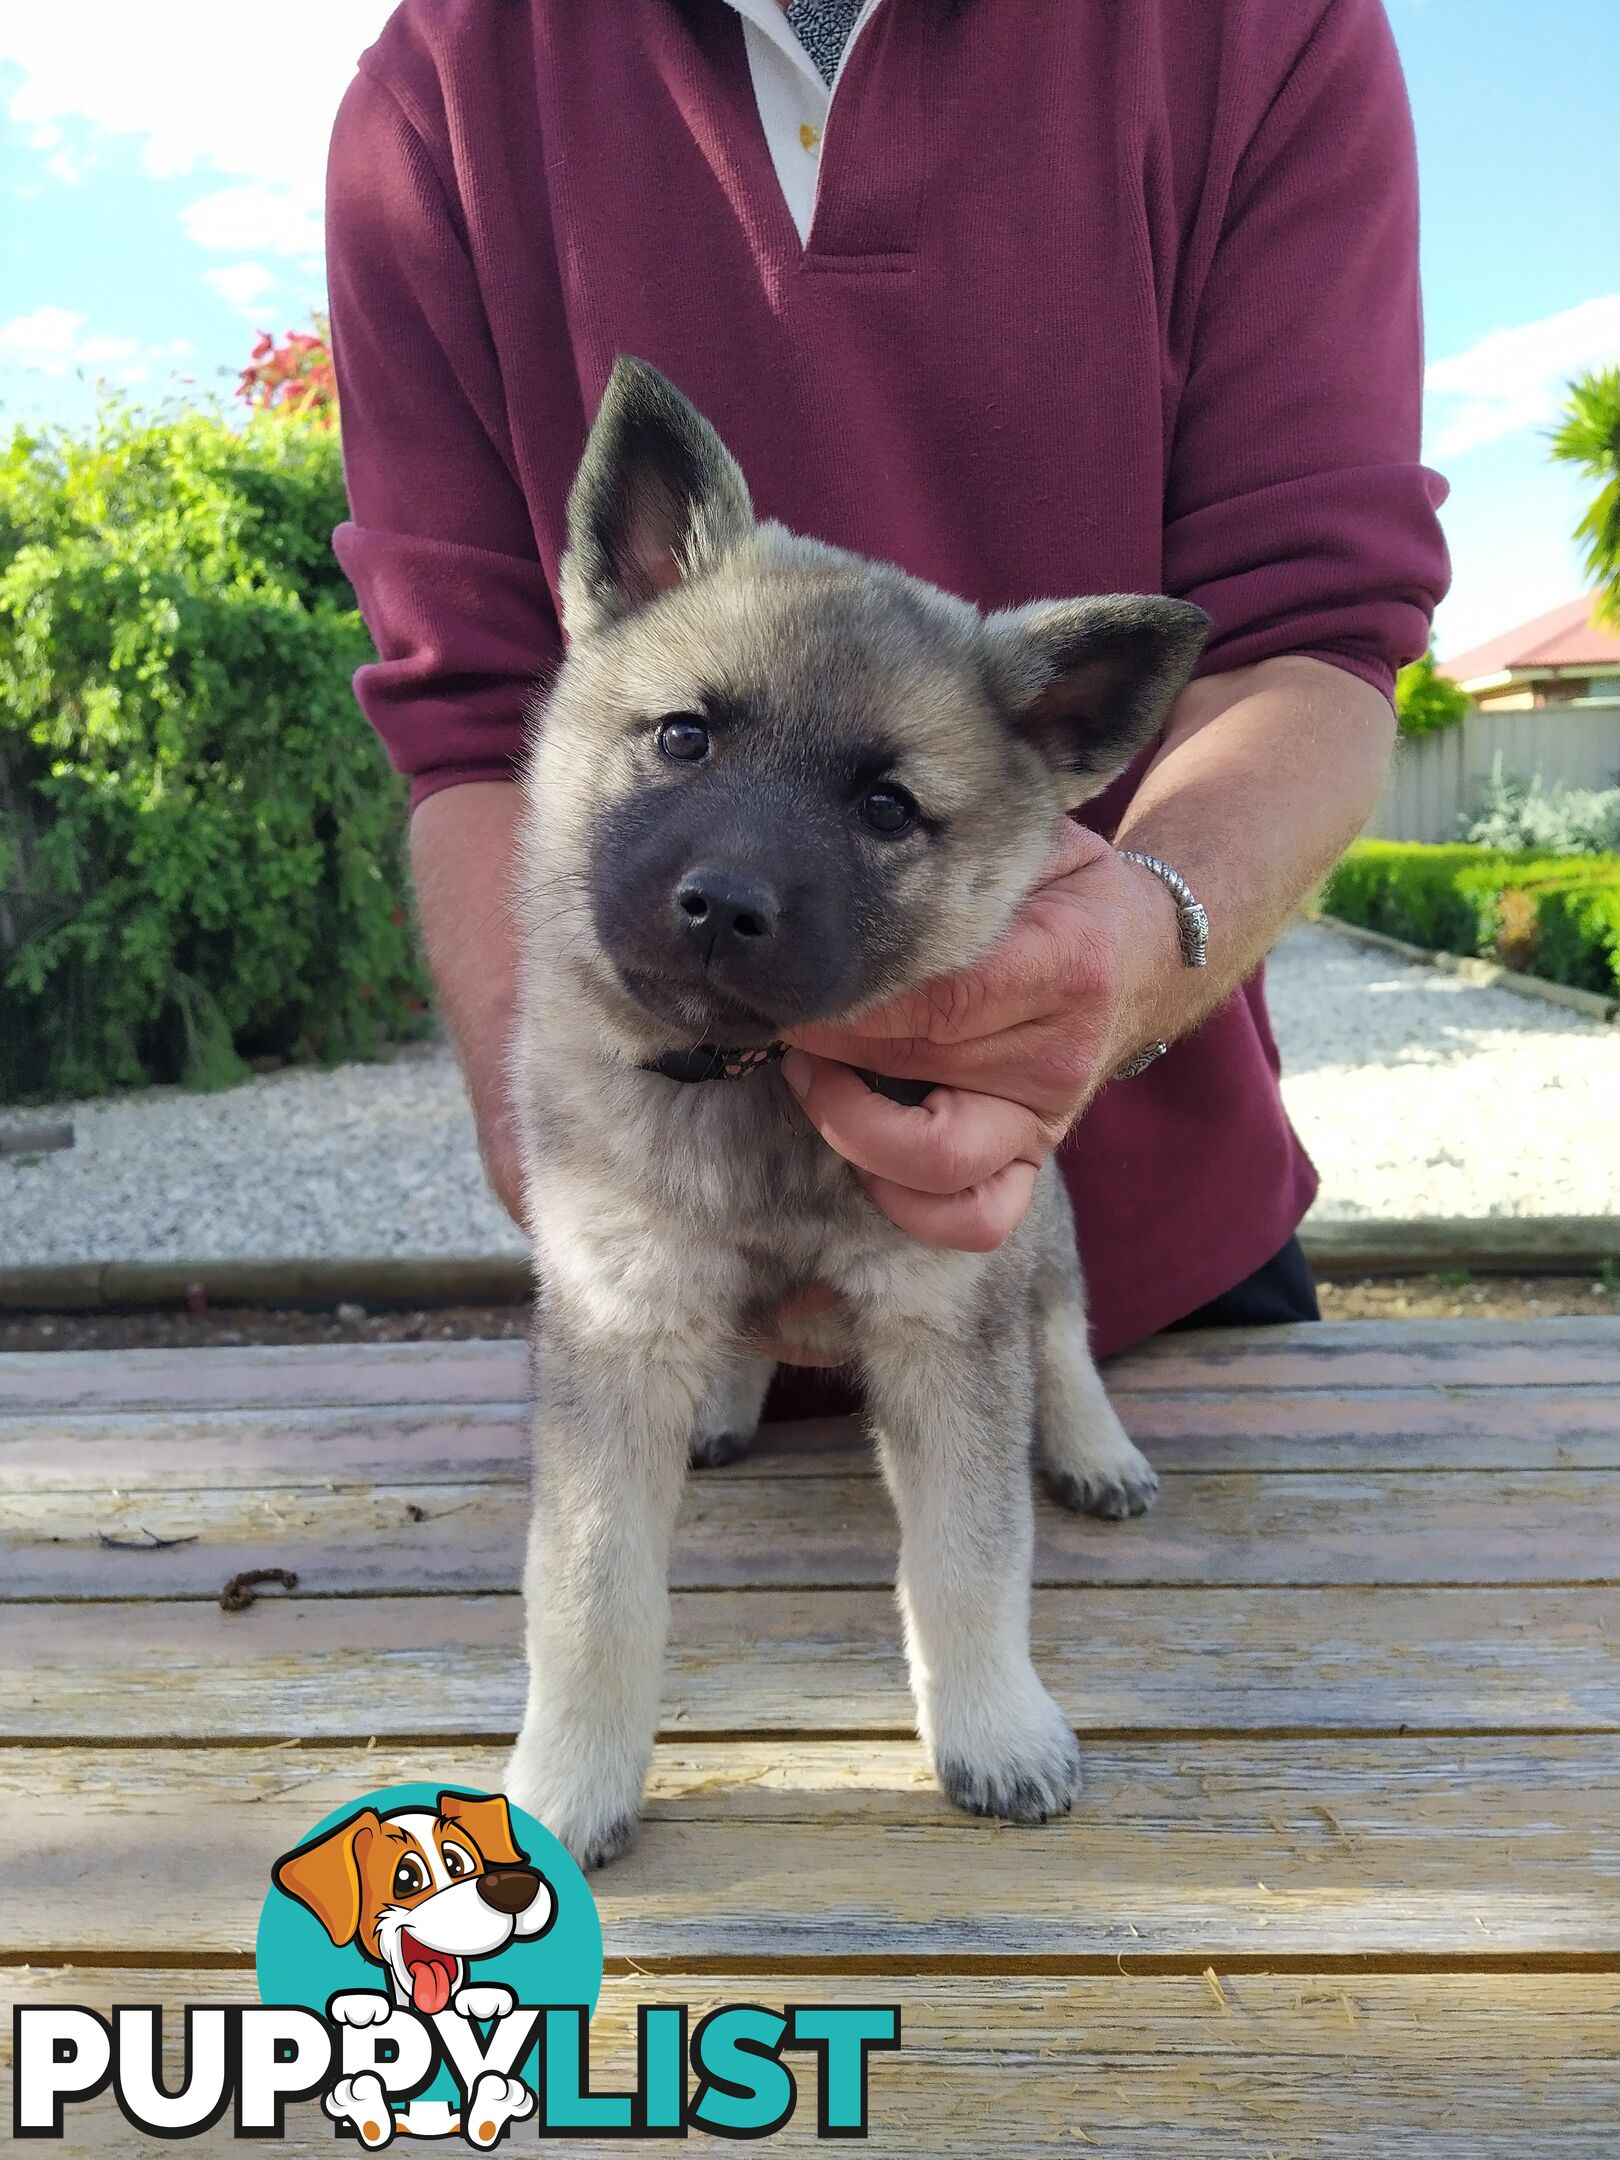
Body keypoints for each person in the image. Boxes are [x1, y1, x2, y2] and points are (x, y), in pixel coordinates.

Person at [324, 0, 1448, 1376]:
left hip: (1145, 1293)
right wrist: (566, 1151)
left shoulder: (1261, 28)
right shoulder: (444, 83)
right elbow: (472, 726)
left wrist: (1139, 952)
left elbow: (1311, 639)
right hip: (686, 1298)